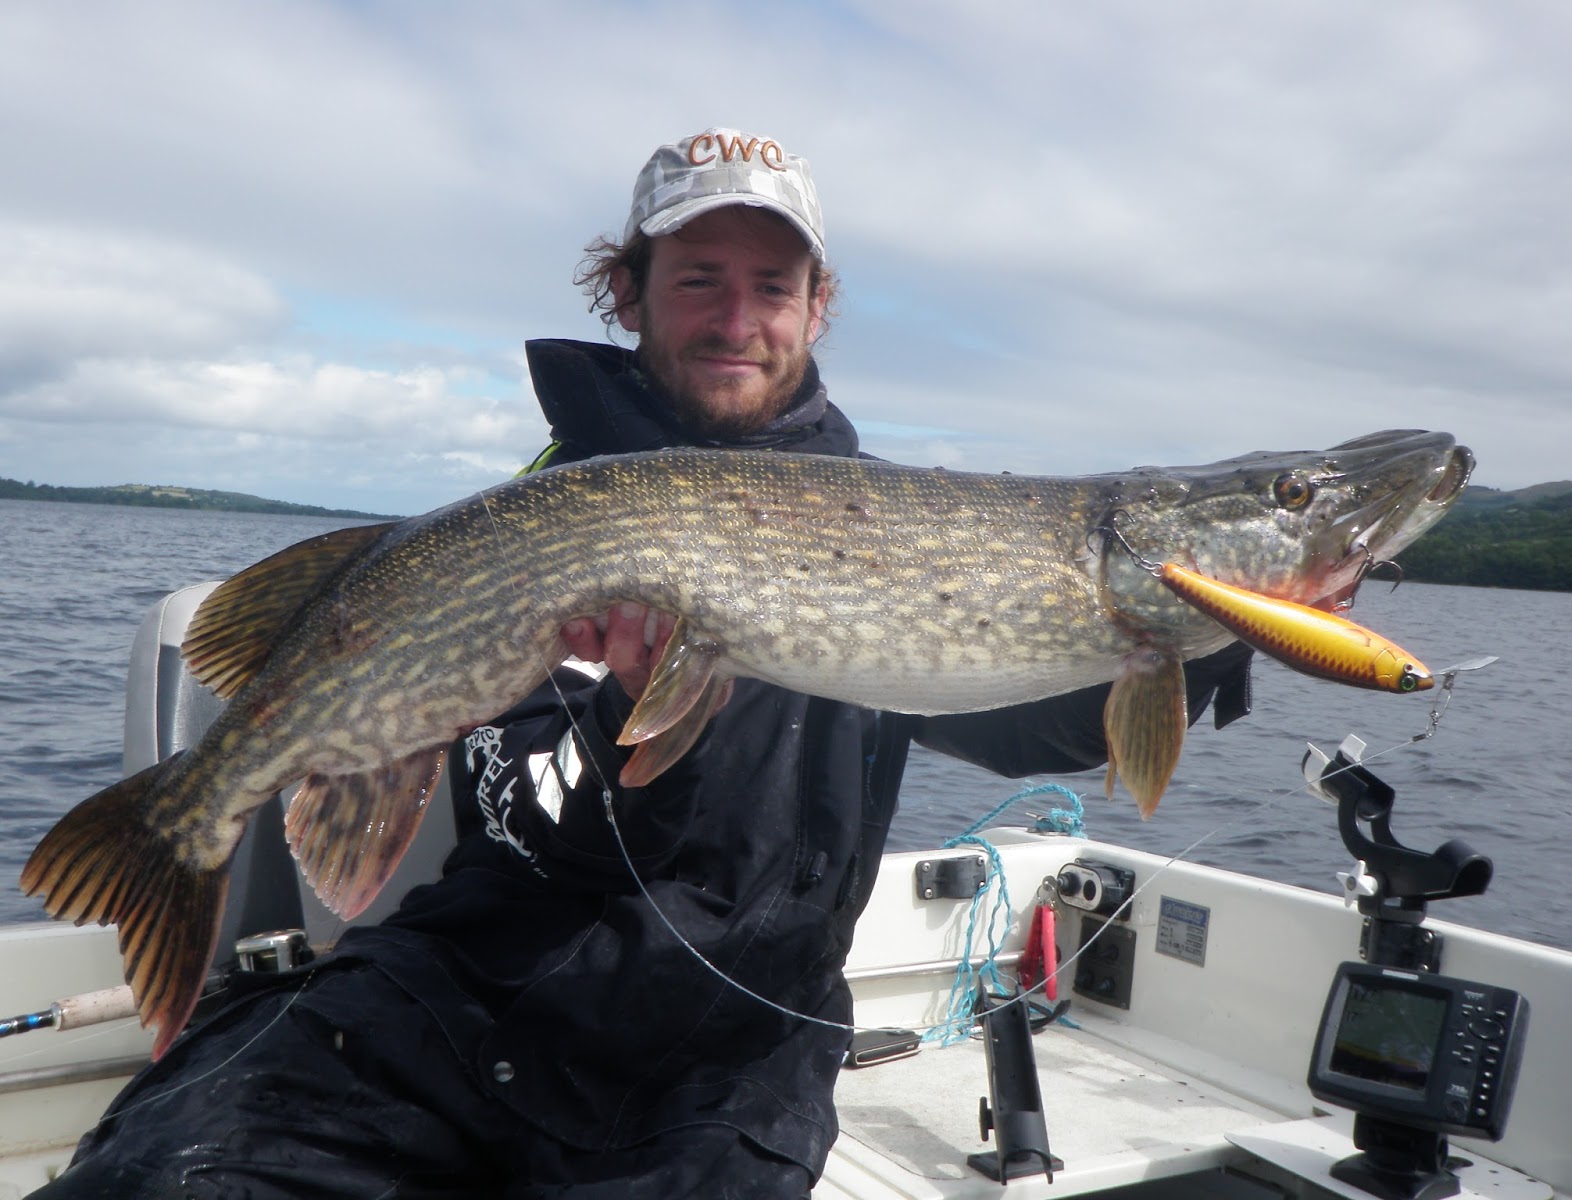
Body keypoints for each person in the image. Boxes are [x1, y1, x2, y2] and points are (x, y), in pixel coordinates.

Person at [33, 128, 1253, 1199]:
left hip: (727, 1059)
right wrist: (632, 714)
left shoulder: (899, 531)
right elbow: (520, 826)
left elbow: (1035, 730)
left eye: (770, 285)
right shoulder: (544, 513)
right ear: (630, 293)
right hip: (463, 1000)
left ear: (816, 305)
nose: (737, 320)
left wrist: (1202, 638)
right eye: (698, 280)